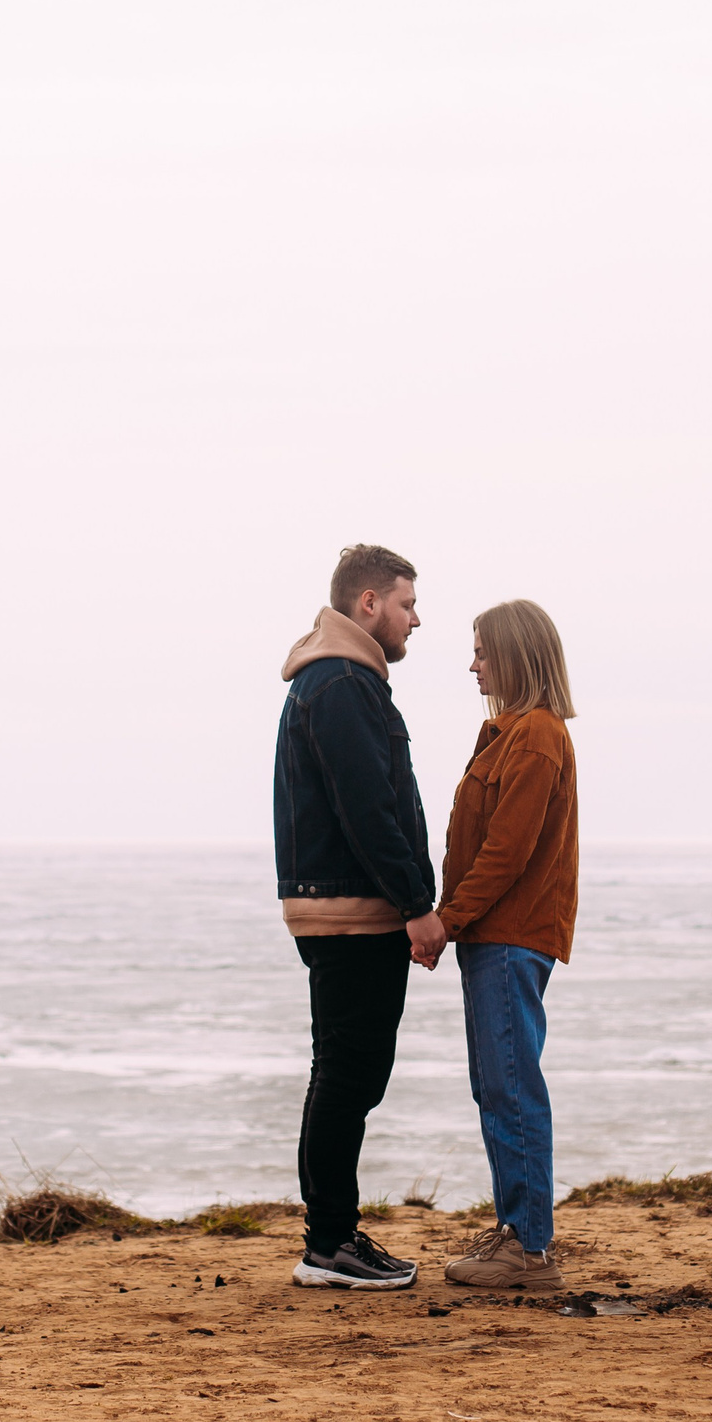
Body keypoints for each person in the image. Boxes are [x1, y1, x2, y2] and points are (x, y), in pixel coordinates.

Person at [273, 544, 451, 1290]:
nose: (417, 618)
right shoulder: (343, 682)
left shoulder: (346, 679)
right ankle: (329, 1244)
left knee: (344, 1073)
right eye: (408, 604)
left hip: (346, 906)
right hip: (355, 912)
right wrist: (416, 905)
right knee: (349, 1076)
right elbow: (367, 808)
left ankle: (334, 1235)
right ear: (369, 603)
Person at [439, 599, 579, 1293]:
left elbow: (506, 851)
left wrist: (447, 919)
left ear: (516, 655)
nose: (473, 663)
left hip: (509, 936)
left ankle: (528, 1247)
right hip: (490, 935)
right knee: (498, 1085)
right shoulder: (506, 733)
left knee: (513, 1086)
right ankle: (516, 1233)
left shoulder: (538, 736)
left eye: (483, 652)